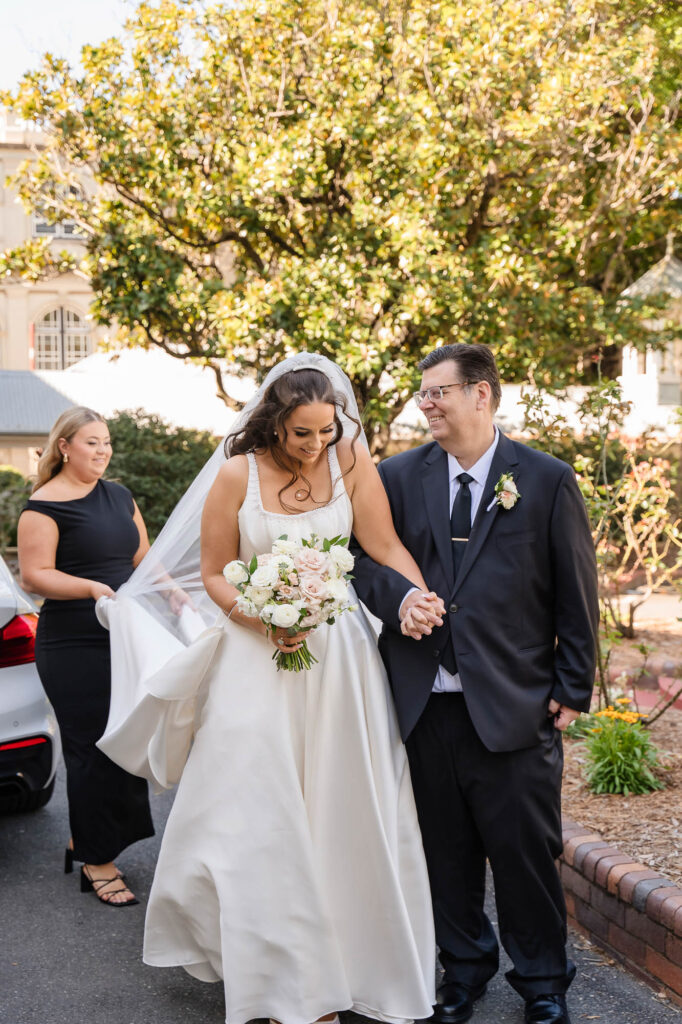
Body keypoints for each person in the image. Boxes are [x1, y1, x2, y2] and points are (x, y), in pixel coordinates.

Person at [96, 353, 438, 1024]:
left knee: (340, 807)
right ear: (276, 424)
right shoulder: (236, 475)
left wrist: (418, 595)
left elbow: (384, 545)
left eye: (327, 432)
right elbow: (215, 572)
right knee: (259, 815)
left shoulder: (349, 462)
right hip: (256, 657)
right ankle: (284, 981)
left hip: (339, 660)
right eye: (303, 433)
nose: (317, 446)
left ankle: (347, 965)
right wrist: (260, 615)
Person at [351, 344, 599, 1024]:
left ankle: (545, 984)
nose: (425, 403)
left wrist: (574, 686)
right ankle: (462, 974)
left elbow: (577, 589)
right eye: (422, 392)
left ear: (483, 394)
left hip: (516, 703)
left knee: (525, 856)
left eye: (439, 392)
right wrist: (399, 598)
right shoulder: (394, 478)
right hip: (421, 705)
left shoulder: (544, 479)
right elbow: (361, 564)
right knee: (444, 855)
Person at [17, 406, 166, 906]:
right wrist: (90, 588)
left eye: (106, 442)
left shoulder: (119, 496)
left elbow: (140, 557)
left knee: (125, 740)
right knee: (91, 748)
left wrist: (174, 593)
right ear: (65, 447)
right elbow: (34, 576)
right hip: (73, 643)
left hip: (124, 636)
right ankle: (97, 865)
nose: (102, 451)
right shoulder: (43, 506)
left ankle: (89, 840)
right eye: (91, 443)